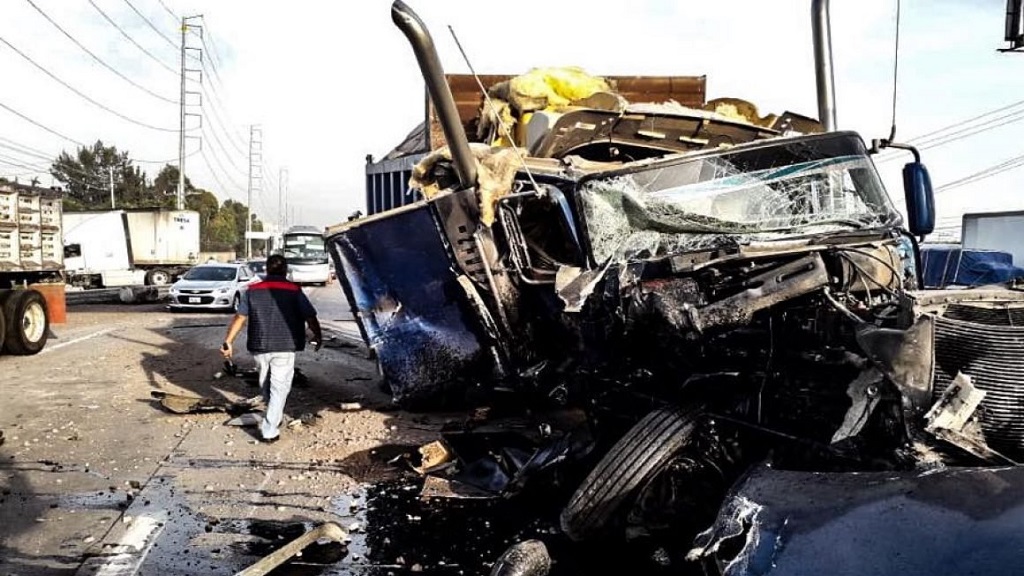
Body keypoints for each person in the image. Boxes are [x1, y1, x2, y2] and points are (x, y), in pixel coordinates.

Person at [221, 254, 322, 443]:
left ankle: (272, 420)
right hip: (285, 345)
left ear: (266, 269)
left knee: (268, 385)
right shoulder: (294, 290)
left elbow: (240, 318)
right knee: (278, 388)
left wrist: (228, 341)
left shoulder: (252, 291)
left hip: (260, 346)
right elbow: (310, 316)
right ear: (285, 270)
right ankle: (270, 429)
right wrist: (318, 335)